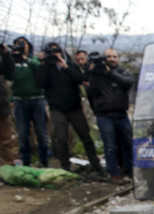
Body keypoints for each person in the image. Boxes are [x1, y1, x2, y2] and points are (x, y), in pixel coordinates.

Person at [34, 41, 103, 176]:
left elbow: (81, 79)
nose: (55, 55)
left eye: (57, 52)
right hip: (56, 108)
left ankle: (96, 164)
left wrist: (65, 67)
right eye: (52, 53)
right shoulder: (47, 68)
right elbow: (40, 83)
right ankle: (65, 166)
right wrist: (43, 63)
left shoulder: (70, 66)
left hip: (74, 107)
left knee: (85, 136)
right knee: (61, 138)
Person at [1, 37, 50, 167]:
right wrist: (10, 57)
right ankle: (26, 162)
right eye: (17, 45)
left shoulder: (33, 59)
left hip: (36, 100)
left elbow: (40, 71)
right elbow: (9, 75)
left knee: (41, 133)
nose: (20, 47)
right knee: (22, 135)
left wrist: (25, 59)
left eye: (23, 45)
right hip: (19, 102)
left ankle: (44, 161)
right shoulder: (11, 62)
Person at [87, 48, 134, 182]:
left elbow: (128, 82)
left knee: (128, 143)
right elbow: (91, 92)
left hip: (121, 114)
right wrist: (94, 73)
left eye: (114, 56)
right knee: (110, 146)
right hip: (104, 114)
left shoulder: (121, 72)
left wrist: (110, 73)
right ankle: (114, 173)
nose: (112, 59)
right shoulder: (96, 75)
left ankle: (129, 169)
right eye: (108, 57)